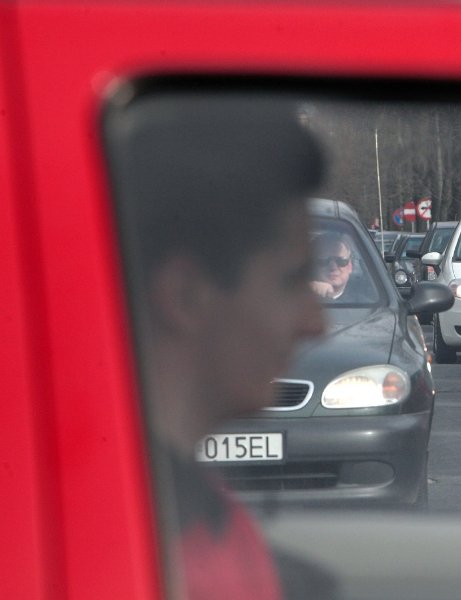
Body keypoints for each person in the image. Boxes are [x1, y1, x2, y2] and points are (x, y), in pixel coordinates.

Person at [114, 95, 337, 599]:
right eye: (291, 281)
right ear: (185, 295)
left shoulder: (190, 514)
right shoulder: (164, 539)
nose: (315, 323)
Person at [310, 232, 356, 300]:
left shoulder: (364, 304)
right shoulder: (298, 299)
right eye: (324, 260)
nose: (333, 267)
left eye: (340, 260)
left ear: (350, 267)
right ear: (314, 266)